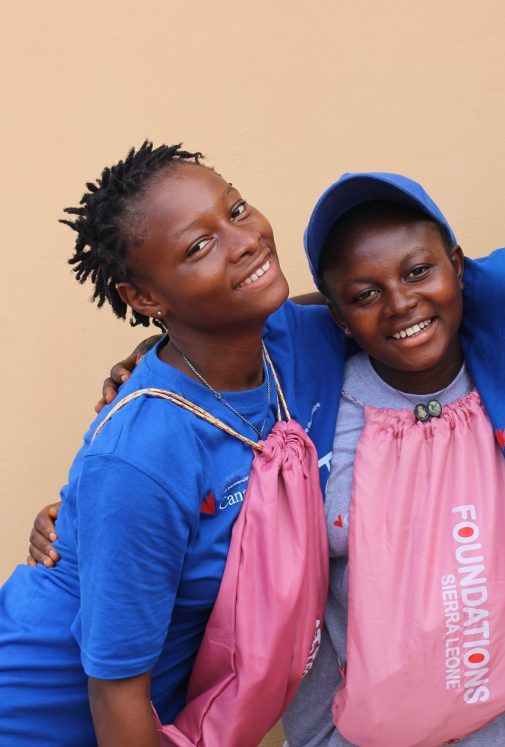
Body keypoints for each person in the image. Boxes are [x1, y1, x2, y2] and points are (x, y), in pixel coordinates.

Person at [0, 142, 347, 746]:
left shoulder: (296, 342)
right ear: (145, 298)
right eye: (198, 246)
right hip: (41, 721)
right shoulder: (142, 455)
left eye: (235, 210)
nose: (244, 241)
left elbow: (386, 295)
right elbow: (115, 695)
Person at [279, 174, 505, 746]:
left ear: (458, 267)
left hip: (504, 725)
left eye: (418, 271)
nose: (401, 303)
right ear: (339, 317)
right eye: (365, 295)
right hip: (358, 732)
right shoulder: (313, 411)